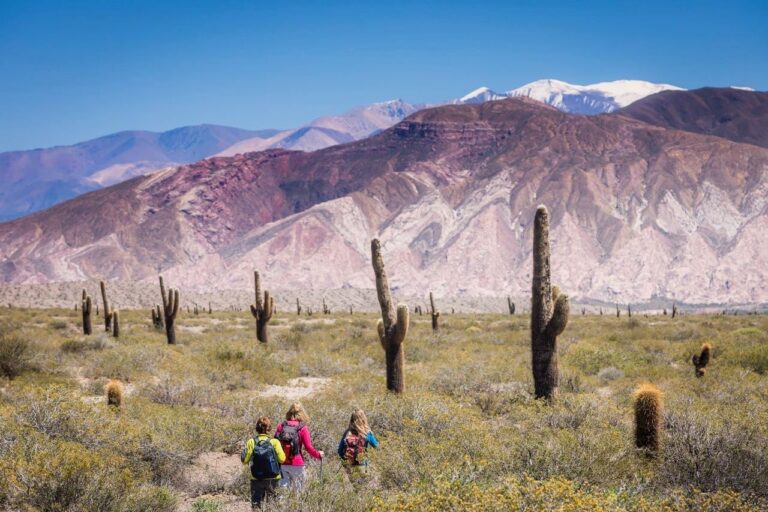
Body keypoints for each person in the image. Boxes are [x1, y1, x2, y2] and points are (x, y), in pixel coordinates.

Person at [274, 402, 324, 489]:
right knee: (298, 494)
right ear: (302, 413)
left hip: (283, 463)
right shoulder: (302, 428)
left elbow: (274, 444)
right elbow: (308, 448)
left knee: (282, 494)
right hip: (298, 463)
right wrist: (318, 455)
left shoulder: (281, 426)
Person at [241, 416, 285, 508]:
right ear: (269, 428)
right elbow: (282, 459)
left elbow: (245, 461)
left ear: (257, 428)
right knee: (272, 506)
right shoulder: (274, 442)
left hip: (256, 478)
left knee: (256, 505)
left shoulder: (251, 442)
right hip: (273, 478)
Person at [337, 408, 379, 483]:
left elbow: (339, 451)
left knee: (356, 490)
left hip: (350, 465)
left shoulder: (347, 432)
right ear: (363, 419)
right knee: (365, 489)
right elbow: (376, 446)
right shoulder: (366, 432)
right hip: (363, 464)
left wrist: (346, 464)